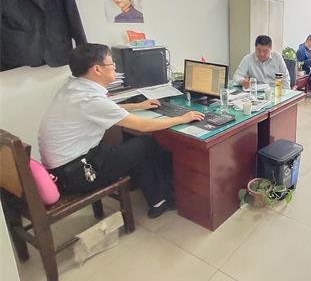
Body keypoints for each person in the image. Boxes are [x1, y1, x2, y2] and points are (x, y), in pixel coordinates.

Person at [39, 43, 204, 218]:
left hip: (66, 167)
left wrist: (138, 105)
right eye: (111, 64)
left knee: (134, 146)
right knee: (146, 142)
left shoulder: (74, 86)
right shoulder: (90, 99)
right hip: (78, 174)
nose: (115, 68)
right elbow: (143, 126)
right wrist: (183, 118)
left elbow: (104, 109)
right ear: (97, 69)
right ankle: (167, 193)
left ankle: (158, 199)